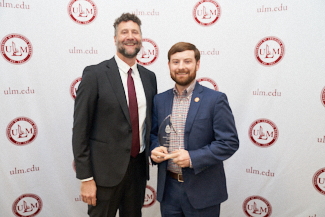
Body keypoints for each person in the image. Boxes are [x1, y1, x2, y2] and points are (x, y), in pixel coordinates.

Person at [72, 13, 157, 217]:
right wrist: (85, 178)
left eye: (135, 32)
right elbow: (80, 130)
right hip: (103, 176)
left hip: (137, 171)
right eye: (124, 32)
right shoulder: (95, 75)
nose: (130, 36)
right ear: (115, 39)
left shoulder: (149, 77)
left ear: (141, 38)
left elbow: (148, 124)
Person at [150, 42, 239, 216]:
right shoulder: (159, 100)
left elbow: (229, 142)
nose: (181, 67)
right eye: (175, 62)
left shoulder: (215, 100)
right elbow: (154, 134)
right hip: (169, 191)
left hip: (203, 192)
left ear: (197, 64)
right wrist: (154, 149)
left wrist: (192, 158)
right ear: (169, 66)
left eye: (187, 61)